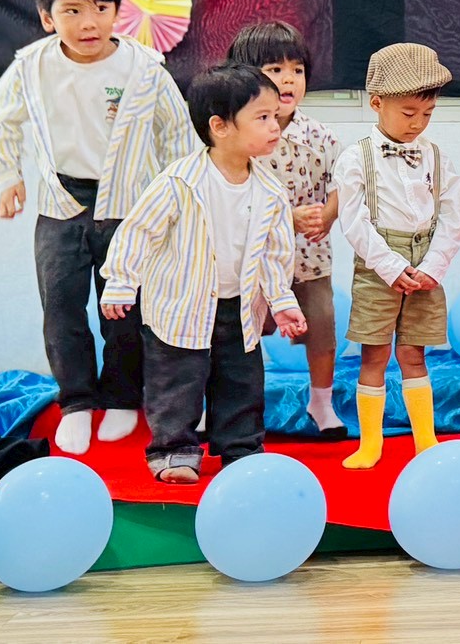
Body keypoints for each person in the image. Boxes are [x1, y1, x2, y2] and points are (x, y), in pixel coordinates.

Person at [0, 0, 199, 456]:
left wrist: (179, 198)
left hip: (129, 204)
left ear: (118, 10)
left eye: (101, 8)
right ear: (47, 17)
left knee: (124, 308)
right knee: (61, 306)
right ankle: (77, 401)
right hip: (61, 202)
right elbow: (0, 118)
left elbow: (176, 134)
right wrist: (8, 176)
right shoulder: (31, 67)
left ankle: (123, 396)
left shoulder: (144, 68)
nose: (88, 22)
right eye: (72, 10)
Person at [100, 64, 306, 482]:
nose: (275, 126)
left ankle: (241, 449)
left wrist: (282, 302)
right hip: (181, 306)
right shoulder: (178, 182)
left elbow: (275, 254)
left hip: (239, 308)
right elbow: (137, 233)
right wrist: (121, 282)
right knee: (177, 381)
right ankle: (174, 452)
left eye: (275, 116)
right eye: (262, 117)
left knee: (241, 383)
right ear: (220, 126)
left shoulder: (270, 191)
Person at [336, 43, 460, 470]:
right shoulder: (356, 158)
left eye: (427, 114)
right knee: (374, 354)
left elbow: (452, 217)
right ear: (377, 103)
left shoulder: (437, 156)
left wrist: (432, 267)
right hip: (377, 264)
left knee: (414, 352)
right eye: (409, 113)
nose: (418, 123)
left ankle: (425, 440)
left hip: (425, 264)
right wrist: (391, 266)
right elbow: (354, 222)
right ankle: (370, 444)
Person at [227, 22, 345, 439]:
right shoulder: (237, 138)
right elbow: (230, 197)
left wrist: (328, 215)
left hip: (309, 257)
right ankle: (232, 405)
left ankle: (321, 402)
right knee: (239, 334)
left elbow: (344, 183)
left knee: (322, 326)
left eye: (297, 69)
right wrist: (286, 219)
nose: (288, 79)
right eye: (275, 70)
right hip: (252, 260)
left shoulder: (320, 135)